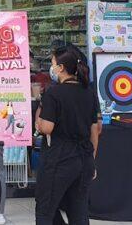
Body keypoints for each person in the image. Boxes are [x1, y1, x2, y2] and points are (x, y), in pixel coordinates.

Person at [34, 44, 101, 225]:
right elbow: (95, 129)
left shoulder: (53, 93)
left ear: (61, 68)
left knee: (45, 209)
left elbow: (47, 127)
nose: (52, 68)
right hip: (84, 158)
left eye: (53, 63)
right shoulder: (88, 92)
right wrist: (91, 160)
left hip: (60, 158)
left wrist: (38, 119)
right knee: (79, 211)